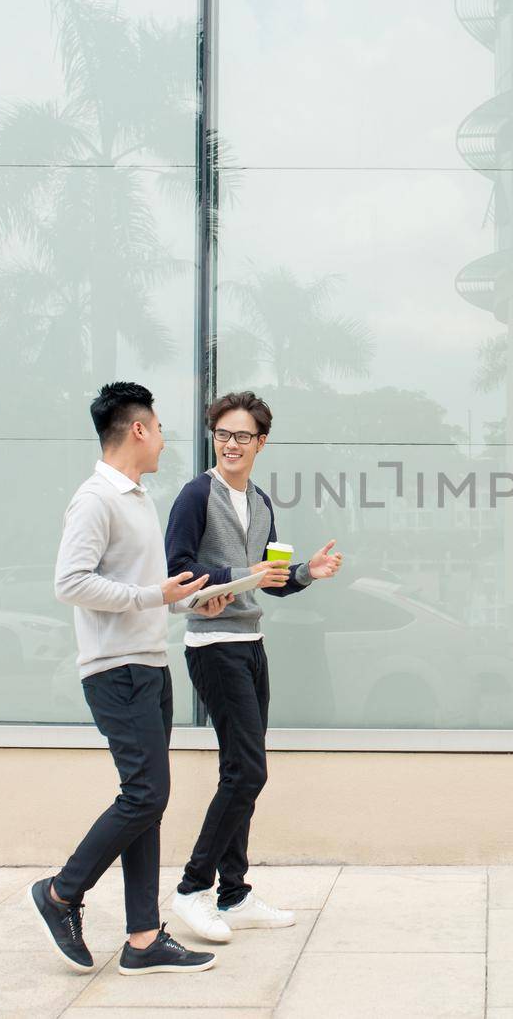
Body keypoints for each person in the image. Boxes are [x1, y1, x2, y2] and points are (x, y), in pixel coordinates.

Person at [27, 381, 228, 976]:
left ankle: (143, 938)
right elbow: (70, 582)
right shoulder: (96, 498)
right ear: (138, 429)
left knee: (147, 802)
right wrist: (151, 595)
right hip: (117, 671)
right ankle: (61, 892)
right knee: (146, 795)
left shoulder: (138, 498)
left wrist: (188, 602)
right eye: (160, 428)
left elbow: (144, 593)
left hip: (149, 664)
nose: (165, 440)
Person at [163, 390, 343, 943]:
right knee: (249, 770)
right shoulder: (196, 495)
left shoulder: (261, 501)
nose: (231, 444)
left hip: (252, 644)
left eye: (242, 436)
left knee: (239, 771)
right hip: (213, 646)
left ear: (261, 442)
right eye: (223, 434)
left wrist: (305, 571)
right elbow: (179, 569)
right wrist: (236, 574)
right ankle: (193, 888)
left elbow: (270, 578)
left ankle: (234, 893)